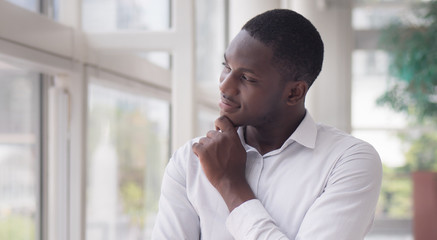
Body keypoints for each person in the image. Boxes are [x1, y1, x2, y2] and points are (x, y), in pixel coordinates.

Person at [151, 9, 382, 240]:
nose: (224, 86)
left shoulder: (348, 161)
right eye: (227, 67)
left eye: (247, 78)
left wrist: (230, 183)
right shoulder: (189, 161)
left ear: (294, 92)